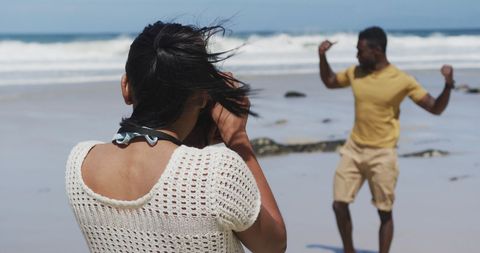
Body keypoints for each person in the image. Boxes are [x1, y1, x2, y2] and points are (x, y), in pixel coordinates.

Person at [65, 21, 286, 253]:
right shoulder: (217, 170)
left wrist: (194, 142)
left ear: (126, 88)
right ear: (202, 97)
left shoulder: (80, 163)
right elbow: (274, 245)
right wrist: (237, 139)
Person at [318, 26, 454, 253]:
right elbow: (330, 81)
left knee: (384, 212)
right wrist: (322, 56)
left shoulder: (402, 80)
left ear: (377, 50)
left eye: (360, 51)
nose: (357, 55)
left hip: (383, 154)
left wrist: (448, 85)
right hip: (353, 149)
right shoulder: (355, 72)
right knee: (338, 204)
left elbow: (435, 108)